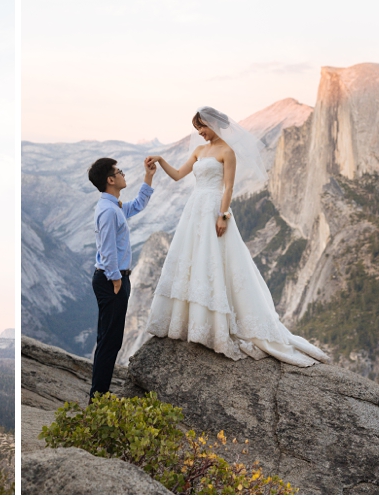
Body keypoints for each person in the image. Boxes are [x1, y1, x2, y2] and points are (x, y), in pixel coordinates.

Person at [143, 107, 329, 366]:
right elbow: (177, 175)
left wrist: (222, 216)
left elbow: (229, 186)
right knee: (193, 260)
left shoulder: (227, 152)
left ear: (214, 124)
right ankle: (190, 322)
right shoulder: (199, 151)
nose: (200, 132)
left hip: (213, 208)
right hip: (194, 209)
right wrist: (161, 161)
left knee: (215, 262)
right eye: (197, 128)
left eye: (202, 127)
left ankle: (215, 325)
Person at [88, 156, 158, 398]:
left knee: (110, 341)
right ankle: (97, 401)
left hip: (113, 280)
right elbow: (106, 250)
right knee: (109, 343)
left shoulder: (113, 206)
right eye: (119, 172)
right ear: (110, 179)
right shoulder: (108, 211)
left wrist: (148, 177)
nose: (123, 174)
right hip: (111, 282)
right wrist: (117, 280)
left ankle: (99, 398)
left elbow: (137, 205)